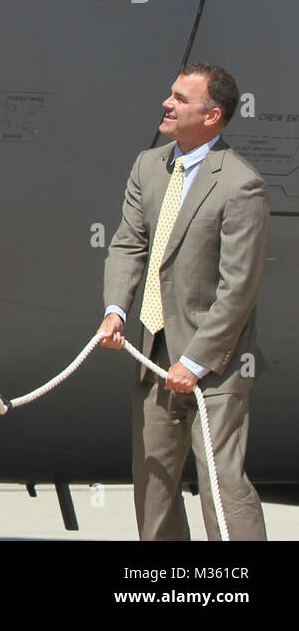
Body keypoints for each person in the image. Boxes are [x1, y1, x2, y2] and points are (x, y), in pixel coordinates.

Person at [97, 62, 268, 540]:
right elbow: (128, 243)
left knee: (223, 487)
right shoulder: (147, 165)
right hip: (153, 354)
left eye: (179, 99)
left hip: (217, 362)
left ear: (211, 117)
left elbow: (240, 287)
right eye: (170, 94)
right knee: (154, 489)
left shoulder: (241, 185)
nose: (167, 104)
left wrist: (194, 362)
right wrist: (115, 310)